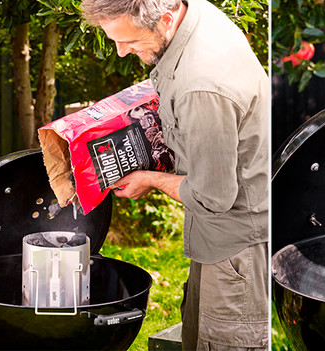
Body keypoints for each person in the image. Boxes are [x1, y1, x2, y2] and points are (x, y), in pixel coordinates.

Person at [80, 0, 269, 349]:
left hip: (234, 247)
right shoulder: (191, 11)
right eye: (115, 41)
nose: (122, 53)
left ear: (165, 19)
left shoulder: (202, 86)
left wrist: (150, 179)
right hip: (214, 237)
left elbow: (213, 196)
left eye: (132, 43)